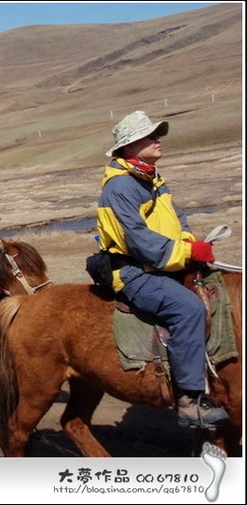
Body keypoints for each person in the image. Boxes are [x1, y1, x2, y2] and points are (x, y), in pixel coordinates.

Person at [96, 110, 228, 429]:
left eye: (158, 134)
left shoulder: (153, 178)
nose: (158, 139)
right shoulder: (119, 189)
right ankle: (189, 398)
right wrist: (186, 253)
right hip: (135, 273)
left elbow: (178, 219)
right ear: (129, 147)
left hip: (161, 263)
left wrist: (189, 244)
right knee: (190, 310)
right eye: (150, 135)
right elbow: (141, 243)